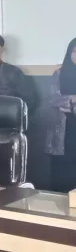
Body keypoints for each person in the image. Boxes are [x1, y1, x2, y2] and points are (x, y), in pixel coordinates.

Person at [45, 38, 76, 192]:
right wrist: (72, 99)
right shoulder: (59, 74)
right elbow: (52, 98)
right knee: (62, 172)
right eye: (75, 51)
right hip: (63, 130)